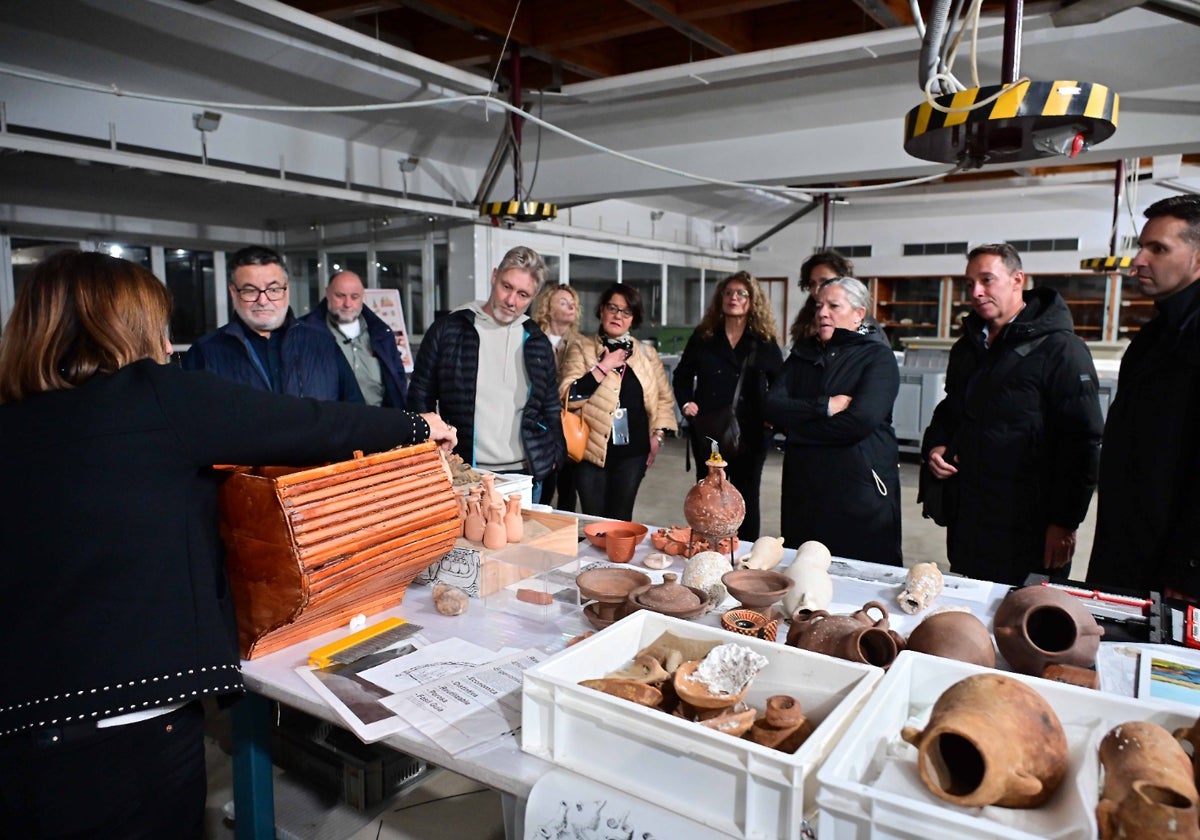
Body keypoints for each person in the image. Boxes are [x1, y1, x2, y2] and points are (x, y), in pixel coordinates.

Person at [0, 251, 455, 838]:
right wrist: (417, 426)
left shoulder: (14, 422)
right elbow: (311, 423)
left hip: (23, 725)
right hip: (132, 726)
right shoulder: (153, 396)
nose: (166, 345)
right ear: (125, 326)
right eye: (156, 326)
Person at [921, 243, 1103, 585]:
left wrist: (1064, 522)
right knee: (970, 608)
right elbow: (950, 409)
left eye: (987, 280)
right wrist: (936, 445)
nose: (976, 292)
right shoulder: (968, 347)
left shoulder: (1061, 349)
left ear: (1017, 279)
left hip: (1029, 522)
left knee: (1024, 621)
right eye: (970, 283)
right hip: (970, 514)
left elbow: (1082, 442)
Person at [1088, 195, 1200, 598]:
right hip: (1128, 547)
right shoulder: (1154, 337)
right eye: (1141, 246)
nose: (1138, 261)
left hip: (1174, 570)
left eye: (1159, 249)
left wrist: (1190, 572)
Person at [408, 245, 565, 502]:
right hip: (466, 471)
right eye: (506, 287)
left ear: (534, 295)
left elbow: (549, 405)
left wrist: (555, 455)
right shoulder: (449, 330)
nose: (511, 300)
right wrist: (429, 451)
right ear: (494, 276)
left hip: (525, 474)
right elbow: (420, 395)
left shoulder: (536, 340)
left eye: (523, 294)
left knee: (522, 541)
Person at [766, 277, 902, 566]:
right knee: (804, 571)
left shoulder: (877, 358)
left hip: (858, 488)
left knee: (858, 571)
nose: (822, 312)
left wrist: (796, 432)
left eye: (833, 305)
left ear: (858, 314)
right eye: (819, 305)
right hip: (805, 488)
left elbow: (859, 422)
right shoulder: (803, 355)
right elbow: (772, 407)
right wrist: (825, 405)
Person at [673, 271, 784, 540]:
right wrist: (687, 402)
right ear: (720, 299)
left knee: (746, 497)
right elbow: (682, 374)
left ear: (752, 301)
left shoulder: (763, 340)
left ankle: (744, 555)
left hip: (751, 432)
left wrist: (773, 419)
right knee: (709, 496)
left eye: (741, 293)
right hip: (709, 430)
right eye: (728, 293)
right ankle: (707, 548)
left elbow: (782, 382)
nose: (734, 298)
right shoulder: (705, 336)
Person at [560, 283, 678, 521]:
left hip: (633, 454)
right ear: (601, 311)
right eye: (613, 308)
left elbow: (665, 399)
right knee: (595, 523)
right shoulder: (581, 349)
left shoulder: (646, 354)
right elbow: (567, 398)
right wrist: (603, 366)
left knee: (621, 521)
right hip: (590, 454)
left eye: (626, 311)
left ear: (633, 318)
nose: (618, 316)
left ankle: (617, 560)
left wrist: (658, 435)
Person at [184, 245, 364, 402]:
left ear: (286, 288)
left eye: (274, 289)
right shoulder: (206, 352)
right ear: (233, 292)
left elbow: (355, 413)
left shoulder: (323, 343)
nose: (263, 300)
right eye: (250, 291)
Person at [300, 269, 408, 408]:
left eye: (354, 297)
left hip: (378, 423)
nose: (348, 304)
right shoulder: (305, 333)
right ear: (327, 293)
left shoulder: (382, 334)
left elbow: (397, 380)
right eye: (340, 296)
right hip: (332, 424)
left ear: (363, 297)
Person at [531, 283, 584, 511]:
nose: (570, 306)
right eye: (563, 302)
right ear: (548, 308)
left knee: (569, 487)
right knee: (543, 484)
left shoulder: (581, 344)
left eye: (573, 302)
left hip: (570, 423)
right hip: (541, 423)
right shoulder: (532, 338)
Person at [789, 250, 854, 344]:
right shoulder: (806, 318)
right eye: (812, 284)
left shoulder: (863, 323)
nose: (816, 290)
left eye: (825, 282)